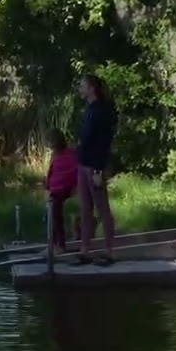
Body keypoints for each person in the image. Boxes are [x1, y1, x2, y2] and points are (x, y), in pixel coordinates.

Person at [75, 73, 118, 266]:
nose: (80, 89)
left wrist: (100, 170)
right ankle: (85, 250)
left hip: (94, 166)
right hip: (83, 163)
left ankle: (109, 250)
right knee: (85, 209)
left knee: (102, 208)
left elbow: (104, 143)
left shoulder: (103, 110)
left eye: (83, 86)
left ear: (92, 88)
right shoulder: (89, 109)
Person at [45, 128, 79, 252]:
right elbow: (51, 173)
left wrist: (74, 186)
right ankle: (53, 244)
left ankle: (59, 245)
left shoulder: (69, 154)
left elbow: (72, 172)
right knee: (51, 213)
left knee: (55, 214)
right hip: (55, 189)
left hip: (64, 189)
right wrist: (47, 186)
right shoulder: (55, 155)